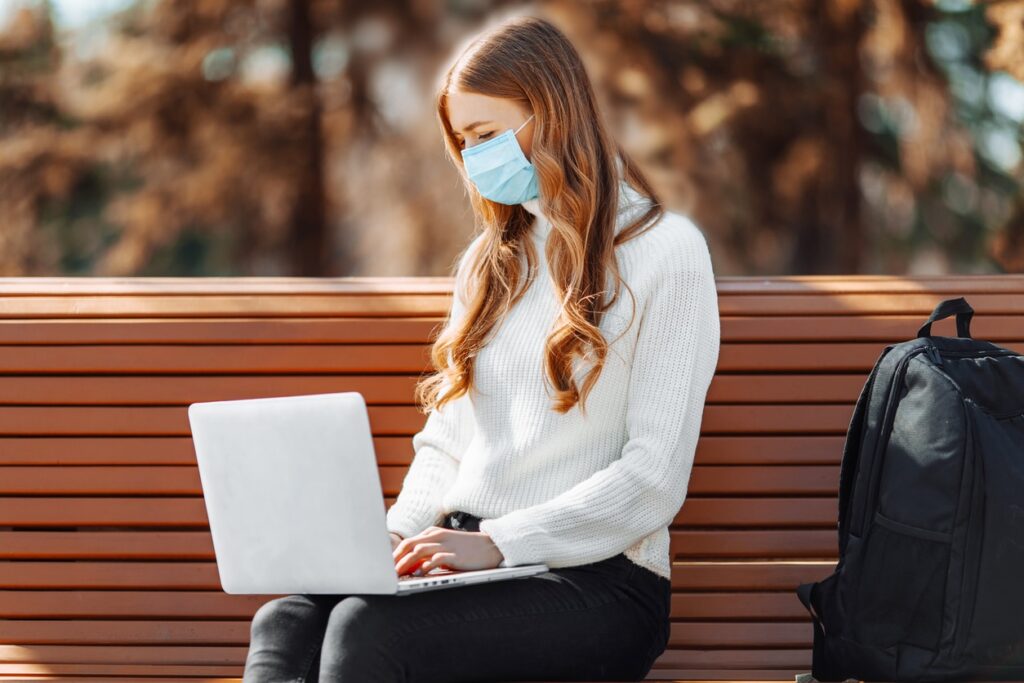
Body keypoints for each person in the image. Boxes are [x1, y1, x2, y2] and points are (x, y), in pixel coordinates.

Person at [243, 13, 720, 683]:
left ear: (552, 117)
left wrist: (499, 542)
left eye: (488, 134)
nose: (475, 159)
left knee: (367, 629)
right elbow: (448, 442)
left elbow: (653, 478)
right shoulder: (490, 263)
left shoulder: (665, 253)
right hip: (467, 560)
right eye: (464, 141)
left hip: (596, 580)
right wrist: (388, 540)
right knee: (287, 619)